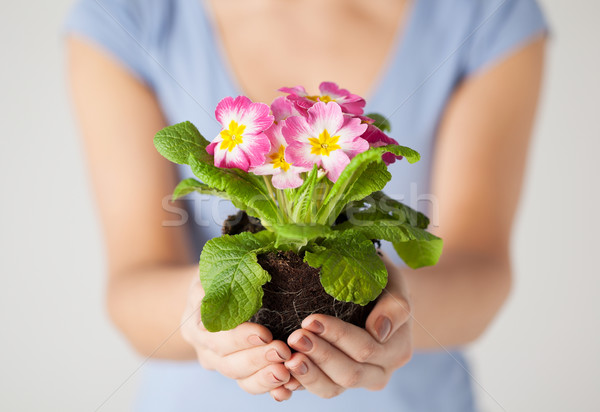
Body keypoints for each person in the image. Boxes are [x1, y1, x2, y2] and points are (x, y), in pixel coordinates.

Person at [64, 0, 548, 410]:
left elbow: (482, 268)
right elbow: (130, 286)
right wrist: (198, 312)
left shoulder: (488, 13)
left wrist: (399, 311)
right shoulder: (128, 13)